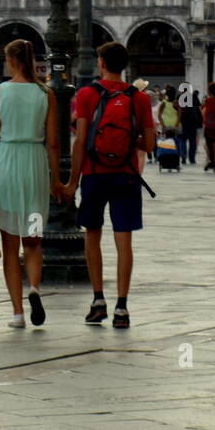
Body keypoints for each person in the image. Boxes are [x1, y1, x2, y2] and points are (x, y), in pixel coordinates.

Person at [69, 41, 155, 328]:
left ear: (102, 62)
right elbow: (151, 144)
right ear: (125, 65)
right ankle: (122, 307)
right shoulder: (139, 98)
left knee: (92, 235)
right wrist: (128, 142)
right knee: (124, 240)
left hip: (94, 173)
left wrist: (72, 182)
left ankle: (97, 301)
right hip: (127, 175)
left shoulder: (86, 94)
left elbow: (81, 141)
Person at [0, 39, 60, 329]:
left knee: (11, 245)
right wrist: (56, 179)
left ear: (11, 61)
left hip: (6, 165)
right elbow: (54, 142)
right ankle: (34, 288)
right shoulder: (45, 93)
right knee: (34, 242)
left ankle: (17, 314)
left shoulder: (0, 92)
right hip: (34, 165)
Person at [177, 83, 200, 165]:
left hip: (184, 122)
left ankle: (183, 157)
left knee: (183, 140)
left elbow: (179, 109)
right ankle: (192, 159)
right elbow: (198, 109)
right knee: (192, 141)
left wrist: (178, 121)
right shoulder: (194, 96)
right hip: (193, 122)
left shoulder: (180, 97)